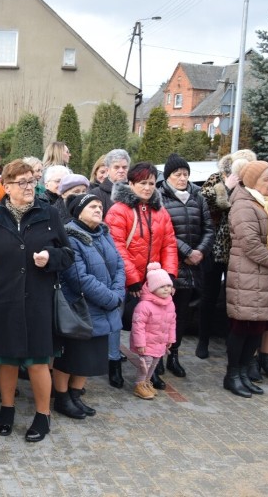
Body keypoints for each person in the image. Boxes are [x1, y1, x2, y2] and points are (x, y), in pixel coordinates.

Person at [0, 159, 74, 442]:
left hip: (37, 300)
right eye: (22, 182)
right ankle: (7, 409)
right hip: (2, 301)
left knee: (38, 361)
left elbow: (68, 255)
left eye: (32, 181)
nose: (29, 187)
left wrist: (51, 258)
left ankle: (43, 415)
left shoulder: (49, 213)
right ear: (6, 186)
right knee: (7, 359)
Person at [224, 161, 268, 398]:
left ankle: (244, 373)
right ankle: (232, 375)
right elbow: (251, 246)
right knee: (243, 328)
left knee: (258, 329)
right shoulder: (243, 206)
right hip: (248, 278)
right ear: (253, 181)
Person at [106, 162, 178, 391]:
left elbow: (169, 244)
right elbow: (117, 246)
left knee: (156, 324)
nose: (147, 188)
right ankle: (113, 363)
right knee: (116, 322)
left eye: (151, 183)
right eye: (142, 183)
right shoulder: (119, 210)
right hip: (123, 277)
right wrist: (133, 278)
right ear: (131, 183)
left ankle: (152, 369)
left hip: (153, 279)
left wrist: (168, 276)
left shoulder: (160, 211)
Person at [55, 193, 125, 418]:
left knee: (90, 357)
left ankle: (76, 396)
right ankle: (62, 398)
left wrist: (117, 293)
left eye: (100, 206)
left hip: (104, 306)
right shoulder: (70, 236)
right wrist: (111, 298)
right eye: (92, 206)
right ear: (78, 211)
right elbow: (79, 277)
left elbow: (119, 266)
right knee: (71, 357)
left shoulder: (104, 233)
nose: (99, 209)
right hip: (81, 308)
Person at [157, 154, 213, 379]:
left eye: (185, 174)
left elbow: (209, 227)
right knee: (163, 314)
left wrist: (200, 251)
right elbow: (163, 230)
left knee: (183, 313)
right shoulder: (160, 196)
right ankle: (158, 355)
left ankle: (174, 354)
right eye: (177, 174)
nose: (182, 178)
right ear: (168, 176)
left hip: (194, 266)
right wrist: (187, 252)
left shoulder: (197, 196)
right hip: (170, 264)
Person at [197, 150, 256, 359]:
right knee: (209, 296)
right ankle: (202, 340)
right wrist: (227, 188)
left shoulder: (251, 185)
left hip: (239, 250)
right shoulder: (217, 178)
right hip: (214, 247)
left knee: (235, 298)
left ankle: (230, 340)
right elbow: (202, 203)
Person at [128, 264, 176, 400]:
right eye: (162, 286)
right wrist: (140, 343)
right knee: (145, 364)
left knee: (154, 363)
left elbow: (172, 322)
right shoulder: (144, 306)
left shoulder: (170, 303)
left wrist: (170, 339)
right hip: (147, 342)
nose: (166, 289)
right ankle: (139, 384)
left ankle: (147, 382)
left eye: (168, 285)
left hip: (160, 341)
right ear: (152, 288)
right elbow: (138, 326)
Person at [90, 149, 131, 214]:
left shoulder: (134, 192)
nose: (121, 171)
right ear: (107, 170)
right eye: (116, 167)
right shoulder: (95, 194)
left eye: (124, 167)